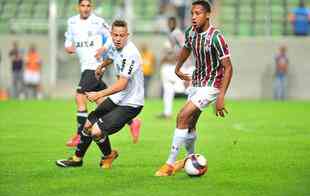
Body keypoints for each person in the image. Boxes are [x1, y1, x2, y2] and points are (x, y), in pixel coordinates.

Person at [155, 0, 233, 176]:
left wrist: (221, 96)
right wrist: (177, 67)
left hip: (212, 85)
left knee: (182, 114)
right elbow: (186, 49)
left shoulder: (216, 37)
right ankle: (190, 158)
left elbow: (228, 67)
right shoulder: (190, 32)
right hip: (196, 83)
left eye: (197, 13)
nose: (193, 17)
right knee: (189, 123)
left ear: (207, 15)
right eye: (192, 13)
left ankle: (169, 164)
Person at [56, 20, 144, 168]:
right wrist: (102, 65)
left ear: (127, 35)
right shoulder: (116, 47)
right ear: (111, 34)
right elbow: (112, 57)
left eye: (121, 35)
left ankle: (108, 155)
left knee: (96, 131)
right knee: (88, 124)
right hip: (119, 98)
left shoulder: (131, 54)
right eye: (115, 35)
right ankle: (77, 159)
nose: (118, 38)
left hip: (131, 103)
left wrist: (99, 94)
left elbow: (122, 84)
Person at [64, 0, 141, 147]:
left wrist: (104, 49)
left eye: (88, 6)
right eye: (83, 5)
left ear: (91, 7)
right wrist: (68, 46)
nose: (85, 8)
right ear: (78, 7)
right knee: (102, 102)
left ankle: (80, 135)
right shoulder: (71, 22)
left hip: (94, 65)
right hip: (85, 65)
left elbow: (111, 37)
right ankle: (132, 122)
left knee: (80, 97)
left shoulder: (98, 22)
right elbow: (68, 40)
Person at [158, 16, 193, 119]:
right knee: (168, 88)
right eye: (169, 23)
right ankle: (167, 112)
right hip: (178, 65)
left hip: (184, 65)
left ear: (175, 23)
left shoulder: (177, 34)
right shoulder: (172, 34)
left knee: (186, 88)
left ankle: (191, 111)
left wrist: (173, 59)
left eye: (172, 23)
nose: (170, 25)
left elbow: (184, 48)